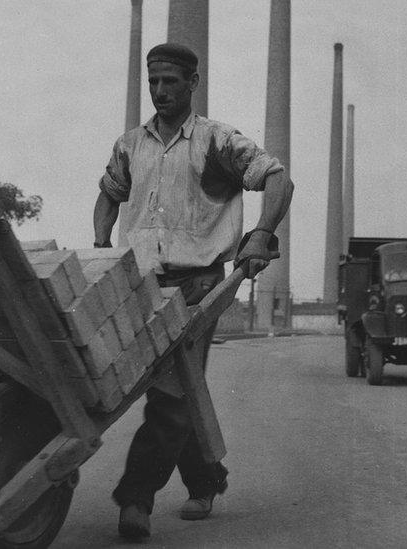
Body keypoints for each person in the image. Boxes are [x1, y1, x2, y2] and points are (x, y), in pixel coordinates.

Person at [93, 42, 293, 539]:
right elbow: (108, 194)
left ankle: (135, 500)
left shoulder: (216, 140)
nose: (160, 91)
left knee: (170, 393)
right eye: (154, 81)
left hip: (198, 284)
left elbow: (278, 179)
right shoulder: (129, 145)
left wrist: (263, 233)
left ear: (192, 83)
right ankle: (206, 478)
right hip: (139, 283)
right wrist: (100, 245)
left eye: (171, 82)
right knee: (169, 388)